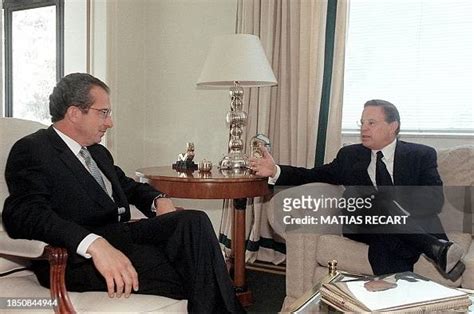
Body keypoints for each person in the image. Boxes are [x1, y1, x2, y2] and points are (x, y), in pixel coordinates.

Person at [2, 73, 244, 313]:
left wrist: (158, 200)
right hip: (77, 260)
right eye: (103, 113)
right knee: (198, 269)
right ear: (75, 113)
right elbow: (24, 214)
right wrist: (94, 244)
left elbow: (128, 187)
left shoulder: (96, 152)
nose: (110, 122)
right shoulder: (33, 149)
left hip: (121, 237)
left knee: (194, 221)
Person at [249, 99, 465, 280]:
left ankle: (389, 293)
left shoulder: (420, 155)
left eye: (371, 122)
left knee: (388, 237)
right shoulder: (350, 155)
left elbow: (433, 200)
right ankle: (435, 247)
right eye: (362, 122)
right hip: (362, 223)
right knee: (358, 196)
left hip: (394, 228)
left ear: (393, 126)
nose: (364, 128)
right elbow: (313, 175)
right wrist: (275, 170)